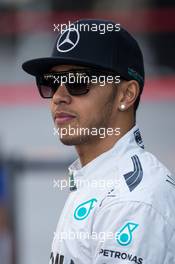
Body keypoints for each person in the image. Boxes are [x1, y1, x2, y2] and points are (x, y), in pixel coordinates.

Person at [22, 19, 175, 264]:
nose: (59, 96)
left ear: (126, 94)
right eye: (51, 82)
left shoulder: (132, 200)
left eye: (78, 81)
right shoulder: (95, 177)